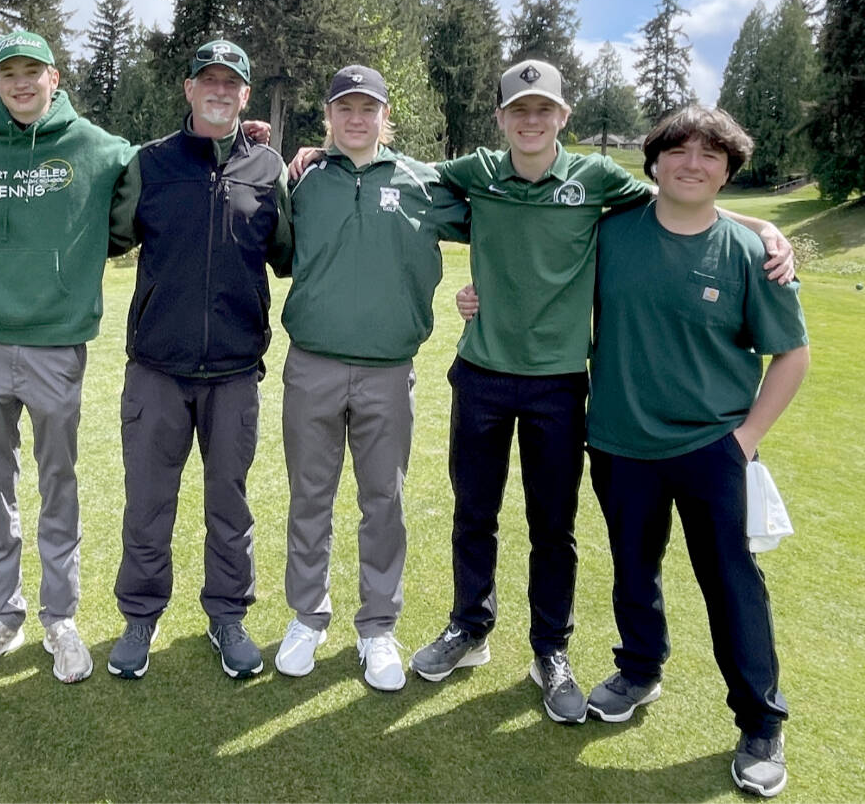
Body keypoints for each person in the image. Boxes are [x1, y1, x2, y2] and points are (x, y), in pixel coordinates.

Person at [406, 59, 794, 725]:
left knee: (552, 529)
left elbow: (676, 196)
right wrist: (312, 152)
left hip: (561, 382)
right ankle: (469, 627)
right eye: (517, 110)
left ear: (564, 117)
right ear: (500, 119)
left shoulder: (597, 179)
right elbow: (398, 174)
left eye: (544, 110)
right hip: (482, 374)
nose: (531, 121)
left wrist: (759, 226)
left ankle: (550, 650)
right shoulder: (475, 173)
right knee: (475, 514)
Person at [584, 106, 807, 797]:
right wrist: (476, 294)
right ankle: (640, 670)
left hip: (713, 446)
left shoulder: (751, 254)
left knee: (732, 583)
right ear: (653, 161)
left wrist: (742, 442)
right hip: (620, 441)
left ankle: (761, 720)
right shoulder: (611, 233)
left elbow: (791, 356)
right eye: (677, 149)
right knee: (632, 570)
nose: (692, 162)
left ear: (728, 169)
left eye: (711, 154)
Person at [0, 31, 136, 685]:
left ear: (55, 76)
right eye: (8, 74)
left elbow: (145, 187)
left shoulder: (98, 147)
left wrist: (244, 139)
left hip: (57, 341)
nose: (21, 84)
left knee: (59, 483)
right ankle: (2, 614)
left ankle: (61, 617)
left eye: (33, 72)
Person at [274, 65, 469, 691]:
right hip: (312, 365)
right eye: (344, 109)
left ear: (387, 117)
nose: (356, 119)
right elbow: (275, 245)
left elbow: (507, 222)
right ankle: (308, 616)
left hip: (389, 371)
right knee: (310, 497)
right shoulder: (304, 182)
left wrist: (485, 287)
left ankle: (378, 625)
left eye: (368, 109)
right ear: (327, 118)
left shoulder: (425, 183)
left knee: (382, 502)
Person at [106, 39, 293, 680]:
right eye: (207, 80)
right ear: (188, 89)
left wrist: (319, 162)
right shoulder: (149, 163)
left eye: (231, 82)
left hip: (236, 372)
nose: (219, 90)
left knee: (230, 504)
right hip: (158, 369)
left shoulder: (269, 169)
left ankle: (228, 614)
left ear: (244, 94)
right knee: (148, 503)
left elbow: (290, 254)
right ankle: (139, 617)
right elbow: (105, 233)